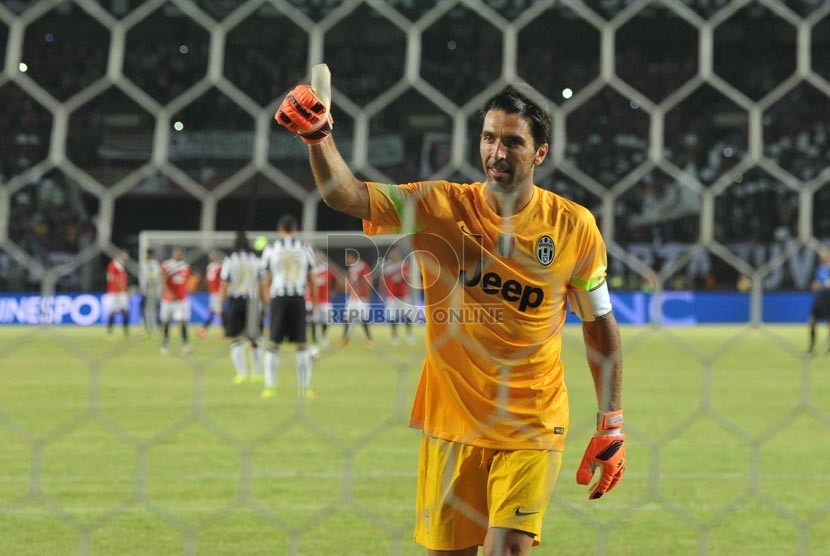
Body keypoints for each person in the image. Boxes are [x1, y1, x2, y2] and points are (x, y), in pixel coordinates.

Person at [277, 68, 625, 555]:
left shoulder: (573, 228)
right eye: (488, 138)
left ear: (540, 153)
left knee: (509, 550)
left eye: (513, 142)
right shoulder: (437, 205)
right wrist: (317, 135)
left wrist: (611, 422)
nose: (497, 153)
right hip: (452, 421)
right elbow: (346, 193)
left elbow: (598, 323)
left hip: (532, 421)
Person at [259, 214, 316, 399]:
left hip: (278, 299)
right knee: (301, 344)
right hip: (298, 298)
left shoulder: (271, 249)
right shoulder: (305, 249)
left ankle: (270, 388)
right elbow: (311, 279)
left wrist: (267, 301)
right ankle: (305, 388)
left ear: (279, 230)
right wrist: (313, 302)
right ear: (296, 230)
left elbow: (264, 280)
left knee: (273, 343)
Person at [220, 233, 263, 383]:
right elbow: (262, 283)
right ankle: (257, 373)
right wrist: (265, 303)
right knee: (254, 339)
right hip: (253, 301)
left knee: (235, 339)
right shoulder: (256, 261)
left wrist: (220, 304)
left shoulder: (230, 261)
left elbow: (224, 284)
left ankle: (241, 373)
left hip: (236, 301)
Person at [160, 247, 193, 355]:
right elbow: (163, 280)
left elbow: (185, 282)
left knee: (182, 321)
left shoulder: (186, 266)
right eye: (176, 253)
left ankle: (185, 345)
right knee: (166, 322)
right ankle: (165, 345)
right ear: (173, 253)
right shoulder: (166, 265)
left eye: (180, 253)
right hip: (168, 300)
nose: (178, 255)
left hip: (181, 300)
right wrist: (168, 293)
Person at [381, 245, 416, 346]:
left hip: (404, 295)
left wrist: (404, 276)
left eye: (395, 252)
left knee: (407, 316)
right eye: (391, 253)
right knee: (392, 317)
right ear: (389, 254)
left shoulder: (404, 265)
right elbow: (382, 281)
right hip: (391, 296)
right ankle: (394, 336)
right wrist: (383, 294)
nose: (393, 254)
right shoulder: (386, 267)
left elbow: (409, 277)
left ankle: (409, 335)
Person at [340, 249, 375, 348]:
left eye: (349, 258)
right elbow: (349, 283)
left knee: (363, 319)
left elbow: (368, 282)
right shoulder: (351, 268)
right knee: (347, 317)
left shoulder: (364, 267)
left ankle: (369, 340)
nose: (347, 260)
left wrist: (368, 297)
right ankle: (345, 339)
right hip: (352, 297)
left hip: (362, 298)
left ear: (354, 258)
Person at [309, 250, 343, 348]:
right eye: (315, 258)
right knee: (313, 320)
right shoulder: (310, 270)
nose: (317, 260)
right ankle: (314, 340)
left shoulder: (327, 270)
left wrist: (334, 291)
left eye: (319, 258)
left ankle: (323, 337)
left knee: (327, 320)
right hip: (313, 300)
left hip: (325, 300)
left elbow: (339, 281)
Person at [807, 246, 830, 355]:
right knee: (811, 321)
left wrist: (822, 286)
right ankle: (811, 348)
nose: (821, 256)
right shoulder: (819, 269)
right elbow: (814, 284)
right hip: (818, 298)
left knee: (828, 324)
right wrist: (815, 285)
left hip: (828, 298)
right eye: (820, 255)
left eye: (823, 254)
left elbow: (825, 284)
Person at [197, 251, 223, 338]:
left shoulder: (214, 267)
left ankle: (203, 330)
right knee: (216, 312)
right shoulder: (216, 267)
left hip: (216, 292)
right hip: (215, 293)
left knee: (216, 312)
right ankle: (203, 330)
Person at [106, 249, 130, 337]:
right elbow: (115, 279)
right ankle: (109, 331)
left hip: (121, 292)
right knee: (113, 311)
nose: (127, 257)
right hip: (114, 292)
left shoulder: (122, 266)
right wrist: (123, 288)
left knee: (125, 311)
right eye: (125, 255)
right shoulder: (114, 264)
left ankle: (126, 332)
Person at [139, 249, 163, 333]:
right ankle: (148, 326)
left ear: (150, 255)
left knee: (155, 308)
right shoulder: (144, 265)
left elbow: (157, 277)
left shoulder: (155, 265)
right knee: (144, 308)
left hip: (154, 290)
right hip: (146, 291)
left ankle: (158, 325)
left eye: (146, 254)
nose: (145, 256)